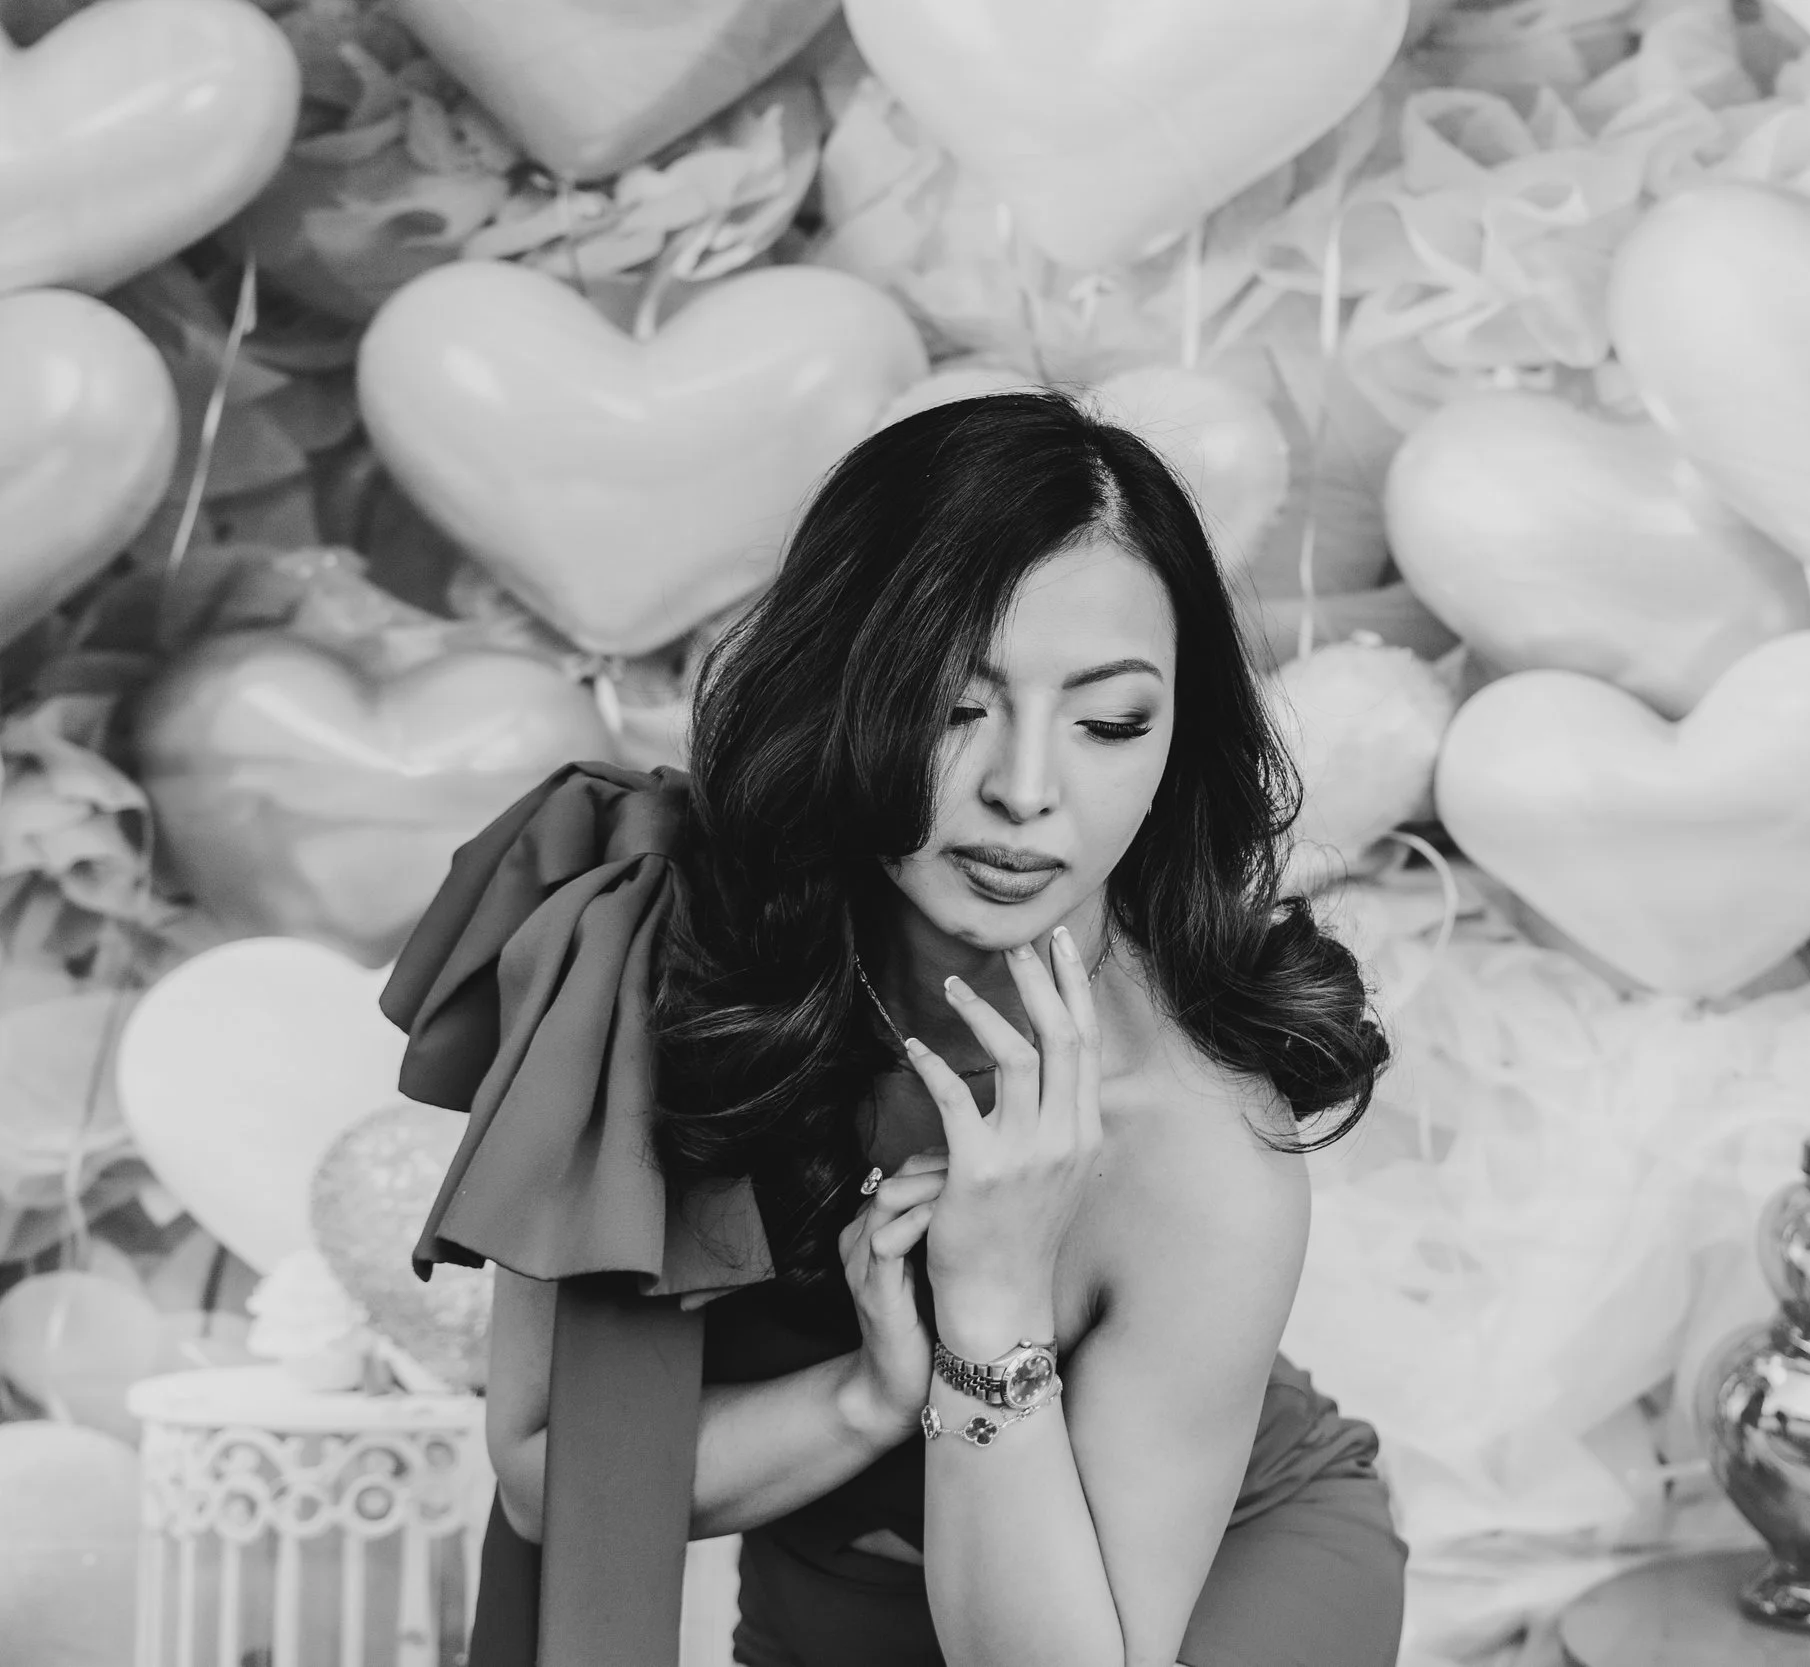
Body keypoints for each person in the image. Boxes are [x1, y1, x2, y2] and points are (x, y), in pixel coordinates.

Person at [385, 390, 1406, 1667]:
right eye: (952, 704)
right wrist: (869, 1393)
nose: (1027, 792)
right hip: (837, 1581)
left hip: (1178, 1591)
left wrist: (987, 1302)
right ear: (838, 689)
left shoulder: (1200, 1138)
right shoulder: (658, 964)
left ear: (1174, 744)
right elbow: (551, 1471)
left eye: (1108, 721)